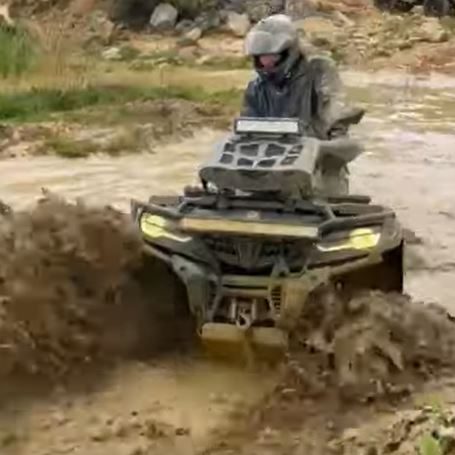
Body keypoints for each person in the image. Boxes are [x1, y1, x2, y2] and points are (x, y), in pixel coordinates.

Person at [241, 13, 362, 141]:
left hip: (314, 146)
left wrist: (335, 138)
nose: (266, 62)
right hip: (270, 148)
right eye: (261, 57)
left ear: (288, 51)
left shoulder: (318, 70)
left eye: (272, 56)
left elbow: (334, 112)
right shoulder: (257, 87)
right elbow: (247, 125)